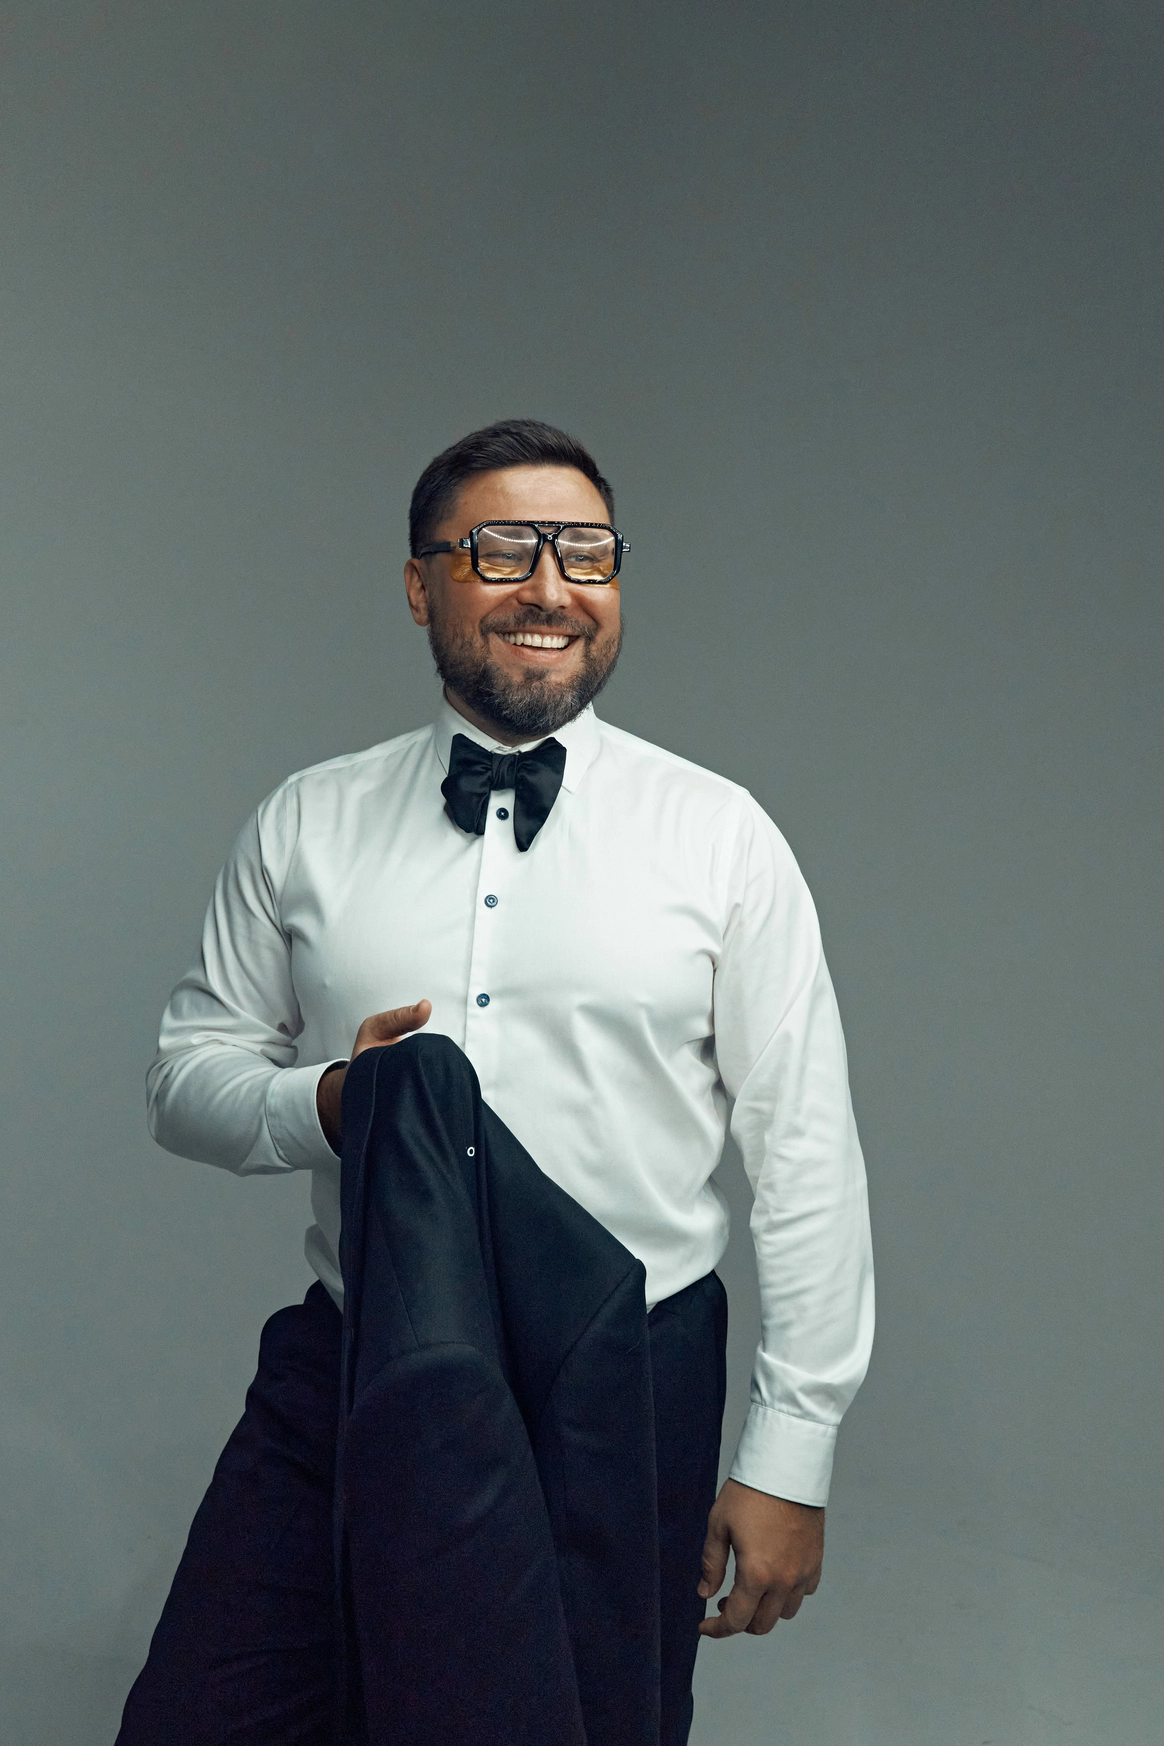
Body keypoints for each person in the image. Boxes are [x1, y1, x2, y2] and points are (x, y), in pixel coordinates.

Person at [117, 419, 874, 1746]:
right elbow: (186, 1078)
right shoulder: (306, 820)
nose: (549, 587)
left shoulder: (721, 836)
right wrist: (330, 1103)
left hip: (620, 1388)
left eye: (586, 552)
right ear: (421, 585)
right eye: (502, 549)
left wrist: (789, 1451)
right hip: (357, 1356)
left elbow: (803, 1147)